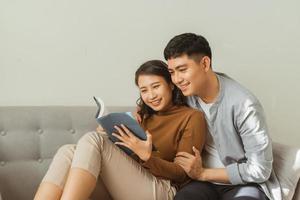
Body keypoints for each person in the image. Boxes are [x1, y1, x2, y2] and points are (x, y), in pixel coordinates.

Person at [34, 60, 207, 200]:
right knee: (68, 151)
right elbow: (125, 159)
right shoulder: (143, 116)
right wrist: (107, 132)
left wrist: (147, 157)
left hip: (163, 190)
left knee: (93, 139)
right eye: (144, 90)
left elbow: (183, 174)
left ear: (171, 85)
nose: (151, 96)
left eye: (156, 86)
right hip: (131, 183)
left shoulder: (192, 117)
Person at [163, 33, 282, 200]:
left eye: (182, 70)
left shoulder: (244, 104)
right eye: (172, 72)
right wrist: (143, 109)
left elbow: (260, 169)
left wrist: (203, 173)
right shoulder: (184, 95)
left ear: (205, 63)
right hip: (201, 185)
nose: (176, 79)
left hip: (243, 184)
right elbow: (158, 98)